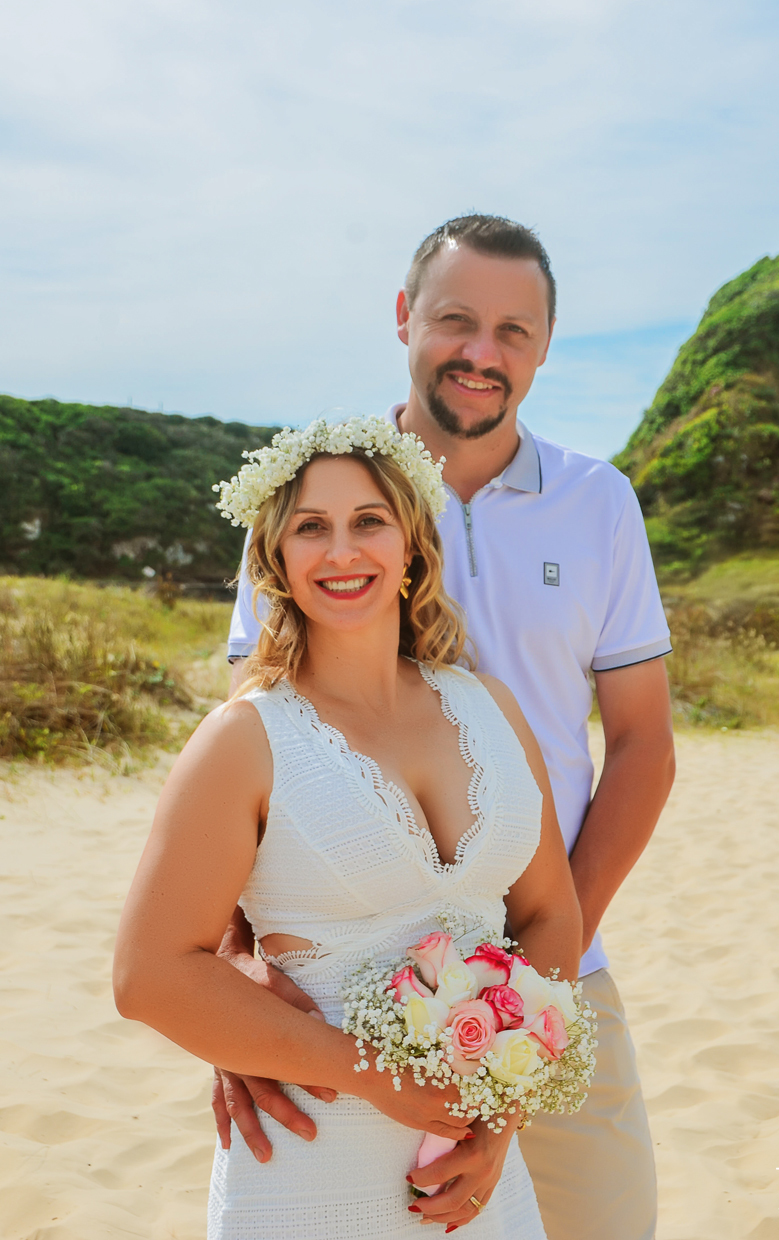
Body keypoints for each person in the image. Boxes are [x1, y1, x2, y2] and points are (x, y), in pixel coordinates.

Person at [223, 215, 676, 1240]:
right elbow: (249, 749)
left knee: (608, 1224)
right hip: (334, 991)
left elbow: (643, 745)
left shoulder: (598, 505)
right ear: (402, 319)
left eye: (514, 330)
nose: (483, 352)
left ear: (547, 346)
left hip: (559, 966)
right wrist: (237, 974)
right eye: (456, 320)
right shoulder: (325, 499)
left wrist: (533, 977)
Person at [113, 415, 583, 1238]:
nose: (342, 552)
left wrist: (500, 1120)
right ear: (277, 560)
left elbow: (550, 913)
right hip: (308, 1173)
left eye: (368, 521)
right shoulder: (245, 740)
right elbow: (148, 974)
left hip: (476, 1179)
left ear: (410, 543)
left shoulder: (491, 708)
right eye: (310, 528)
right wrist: (370, 1077)